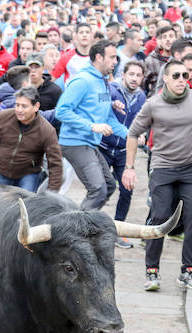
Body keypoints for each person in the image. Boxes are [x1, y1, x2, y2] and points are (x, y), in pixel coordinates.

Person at [123, 59, 192, 291]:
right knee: (160, 216)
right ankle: (152, 271)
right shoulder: (153, 104)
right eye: (176, 76)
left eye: (185, 75)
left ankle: (189, 271)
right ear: (165, 78)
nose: (182, 80)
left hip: (191, 168)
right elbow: (133, 133)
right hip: (163, 168)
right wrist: (130, 167)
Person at [55, 40, 128, 211]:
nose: (115, 62)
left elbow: (108, 118)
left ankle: (88, 223)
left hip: (90, 143)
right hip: (75, 143)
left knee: (109, 186)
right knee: (98, 189)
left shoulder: (103, 82)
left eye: (116, 58)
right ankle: (79, 229)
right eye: (111, 57)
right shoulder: (82, 81)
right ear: (98, 57)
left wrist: (130, 134)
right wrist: (91, 126)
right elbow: (61, 111)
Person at [99, 60, 146, 248]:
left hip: (123, 150)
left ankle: (117, 230)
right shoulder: (110, 88)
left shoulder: (141, 97)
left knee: (127, 189)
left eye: (138, 75)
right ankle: (92, 227)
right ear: (123, 75)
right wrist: (112, 102)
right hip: (103, 146)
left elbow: (140, 120)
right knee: (101, 189)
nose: (134, 78)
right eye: (131, 74)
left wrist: (141, 133)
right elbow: (98, 101)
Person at [0, 87, 62, 192]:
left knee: (26, 206)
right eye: (17, 105)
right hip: (3, 172)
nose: (19, 110)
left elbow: (55, 163)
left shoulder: (46, 130)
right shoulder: (3, 117)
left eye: (24, 106)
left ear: (36, 107)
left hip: (29, 175)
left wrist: (52, 192)